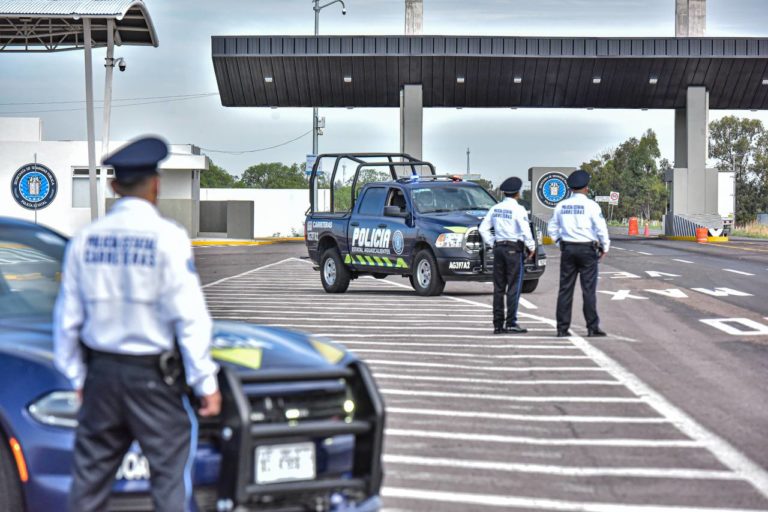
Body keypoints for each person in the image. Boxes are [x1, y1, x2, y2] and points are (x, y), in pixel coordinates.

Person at [53, 137, 221, 512]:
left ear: (114, 186)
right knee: (169, 481)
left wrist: (78, 378)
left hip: (100, 377)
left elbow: (67, 320)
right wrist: (204, 381)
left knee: (89, 483)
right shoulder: (169, 239)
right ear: (156, 184)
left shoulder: (85, 241)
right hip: (153, 381)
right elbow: (190, 317)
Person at [547, 169, 610, 338]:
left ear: (571, 188)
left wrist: (559, 242)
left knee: (565, 289)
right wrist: (605, 247)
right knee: (588, 290)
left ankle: (562, 328)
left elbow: (551, 227)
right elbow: (601, 228)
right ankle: (592, 327)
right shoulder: (591, 205)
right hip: (587, 250)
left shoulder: (562, 205)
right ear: (586, 188)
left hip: (568, 249)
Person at [479, 177, 536, 334]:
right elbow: (525, 230)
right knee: (513, 287)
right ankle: (511, 322)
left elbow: (483, 228)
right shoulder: (519, 210)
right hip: (513, 250)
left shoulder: (495, 208)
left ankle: (498, 325)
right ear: (517, 193)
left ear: (504, 193)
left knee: (498, 288)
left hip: (498, 249)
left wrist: (492, 243)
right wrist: (532, 247)